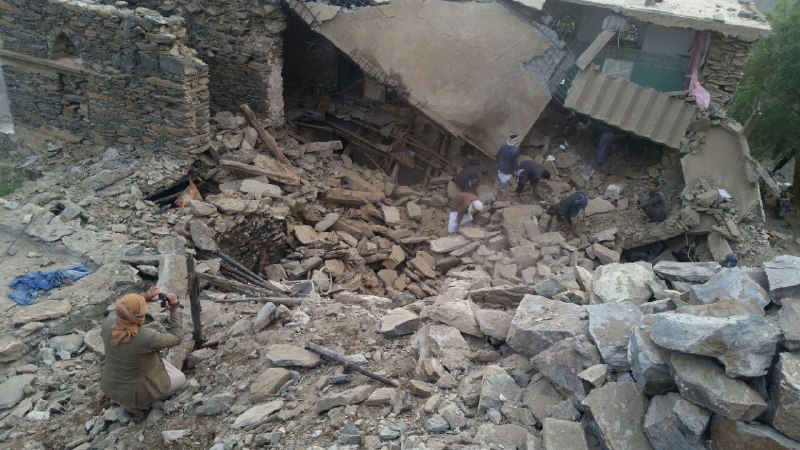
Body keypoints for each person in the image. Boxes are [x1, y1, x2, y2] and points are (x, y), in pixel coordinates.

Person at [101, 287, 186, 418]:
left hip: (109, 386)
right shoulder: (146, 337)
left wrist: (144, 297)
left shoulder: (108, 323)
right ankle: (136, 406)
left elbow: (122, 309)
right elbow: (177, 337)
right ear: (140, 317)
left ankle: (119, 399)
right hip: (133, 394)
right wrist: (174, 310)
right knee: (181, 378)